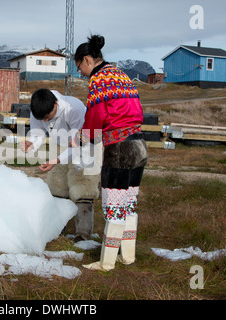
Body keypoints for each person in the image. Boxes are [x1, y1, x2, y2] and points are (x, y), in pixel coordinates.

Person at [75, 35, 148, 271]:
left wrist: (84, 137)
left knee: (114, 207)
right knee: (128, 205)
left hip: (119, 148)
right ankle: (127, 256)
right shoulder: (120, 74)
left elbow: (96, 116)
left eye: (80, 68)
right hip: (139, 145)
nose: (82, 73)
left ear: (87, 60)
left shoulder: (99, 80)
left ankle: (106, 263)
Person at [21, 89, 100, 241]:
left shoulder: (74, 108)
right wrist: (32, 143)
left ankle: (83, 234)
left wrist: (56, 160)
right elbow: (38, 132)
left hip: (85, 145)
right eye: (41, 118)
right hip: (59, 143)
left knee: (83, 187)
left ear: (56, 104)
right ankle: (57, 230)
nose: (45, 121)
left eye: (47, 117)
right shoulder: (39, 109)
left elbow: (78, 143)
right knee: (57, 186)